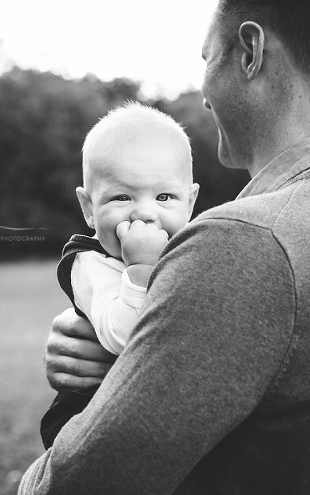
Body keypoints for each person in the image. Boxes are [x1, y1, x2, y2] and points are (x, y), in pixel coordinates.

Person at [17, 0, 310, 495]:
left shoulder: (247, 242)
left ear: (250, 51)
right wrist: (136, 367)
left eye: (207, 58)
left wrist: (35, 481)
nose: (202, 91)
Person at [41, 103, 199, 449]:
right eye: (122, 197)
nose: (145, 213)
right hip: (89, 413)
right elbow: (124, 339)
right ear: (88, 209)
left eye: (163, 196)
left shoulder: (191, 251)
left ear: (189, 203)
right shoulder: (90, 263)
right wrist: (141, 268)